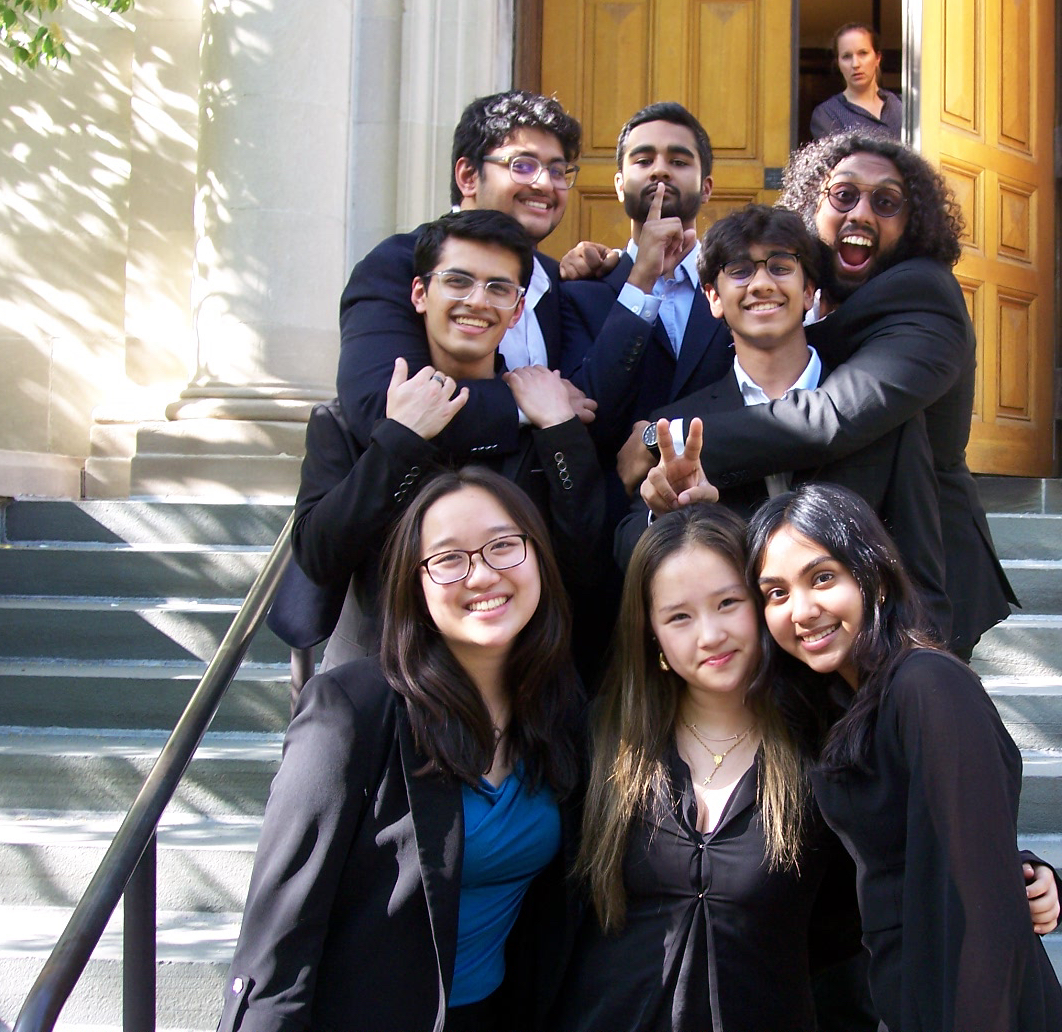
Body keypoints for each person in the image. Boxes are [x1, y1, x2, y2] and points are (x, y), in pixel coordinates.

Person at [217, 468, 584, 1032]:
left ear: (538, 557)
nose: (482, 574)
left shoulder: (560, 711)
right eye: (448, 558)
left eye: (503, 546)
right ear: (415, 584)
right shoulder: (350, 712)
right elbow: (279, 939)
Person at [677, 129, 1018, 659]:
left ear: (912, 225)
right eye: (843, 195)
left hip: (912, 573)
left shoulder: (923, 296)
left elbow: (829, 418)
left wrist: (668, 439)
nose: (861, 213)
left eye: (886, 202)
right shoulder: (813, 297)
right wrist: (623, 270)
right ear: (813, 203)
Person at [750, 483, 1062, 1032]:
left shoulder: (927, 684)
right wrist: (1026, 867)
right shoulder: (843, 704)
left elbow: (985, 917)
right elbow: (924, 845)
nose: (801, 610)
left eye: (822, 577)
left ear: (873, 576)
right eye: (775, 593)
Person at [555, 504, 849, 1032]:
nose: (710, 635)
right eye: (679, 617)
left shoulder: (825, 743)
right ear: (652, 634)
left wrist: (1023, 874)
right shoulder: (604, 737)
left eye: (728, 603)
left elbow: (906, 858)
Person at [614, 203, 949, 635]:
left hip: (858, 672)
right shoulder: (676, 423)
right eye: (738, 271)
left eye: (780, 266)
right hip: (737, 672)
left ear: (810, 292)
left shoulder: (879, 413)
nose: (760, 283)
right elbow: (625, 554)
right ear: (713, 298)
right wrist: (662, 517)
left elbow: (921, 571)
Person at [291, 210, 604, 671]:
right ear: (420, 293)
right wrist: (401, 439)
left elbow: (587, 565)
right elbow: (321, 557)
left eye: (499, 288)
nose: (478, 301)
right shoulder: (348, 424)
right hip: (381, 676)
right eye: (458, 281)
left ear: (517, 310)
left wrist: (559, 429)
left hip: (522, 679)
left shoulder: (547, 416)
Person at [336, 89, 588, 450]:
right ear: (468, 175)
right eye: (523, 165)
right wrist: (527, 405)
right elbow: (379, 409)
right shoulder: (393, 265)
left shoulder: (559, 278)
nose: (545, 184)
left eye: (557, 170)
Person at [558, 101, 733, 448]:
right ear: (620, 186)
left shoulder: (737, 285)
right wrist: (641, 282)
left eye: (679, 162)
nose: (660, 171)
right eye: (643, 160)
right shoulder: (579, 292)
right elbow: (588, 409)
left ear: (707, 187)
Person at [810, 23, 903, 140]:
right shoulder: (828, 114)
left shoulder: (901, 105)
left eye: (863, 53)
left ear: (877, 58)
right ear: (838, 63)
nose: (855, 64)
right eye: (846, 56)